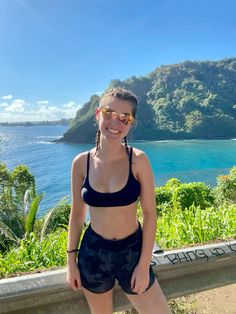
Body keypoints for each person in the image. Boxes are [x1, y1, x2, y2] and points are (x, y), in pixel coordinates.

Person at [66, 87, 171, 314]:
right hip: (93, 253)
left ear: (130, 123)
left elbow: (150, 214)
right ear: (97, 114)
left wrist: (143, 266)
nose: (116, 122)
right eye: (109, 113)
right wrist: (70, 263)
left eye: (124, 118)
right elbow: (76, 215)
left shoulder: (138, 160)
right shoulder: (80, 163)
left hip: (132, 251)